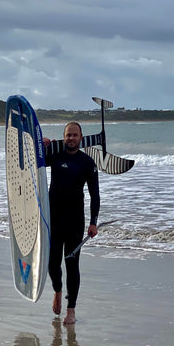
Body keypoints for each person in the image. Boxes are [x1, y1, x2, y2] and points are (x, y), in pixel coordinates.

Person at [43, 121, 100, 325]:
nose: (71, 138)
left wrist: (93, 222)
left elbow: (95, 195)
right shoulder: (55, 156)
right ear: (64, 136)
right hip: (54, 219)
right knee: (52, 263)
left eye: (75, 135)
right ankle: (58, 290)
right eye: (68, 135)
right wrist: (42, 145)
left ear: (81, 138)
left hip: (75, 221)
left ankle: (71, 310)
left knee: (72, 265)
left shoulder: (87, 162)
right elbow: (32, 160)